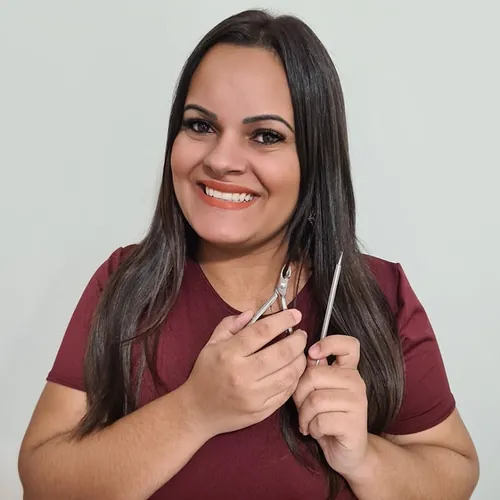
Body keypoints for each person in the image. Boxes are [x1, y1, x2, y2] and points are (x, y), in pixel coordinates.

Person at [18, 9, 479, 500]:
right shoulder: (125, 284)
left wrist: (363, 457)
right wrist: (195, 411)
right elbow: (41, 481)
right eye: (200, 125)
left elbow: (456, 473)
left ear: (315, 160)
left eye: (265, 136)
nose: (220, 160)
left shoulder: (382, 296)